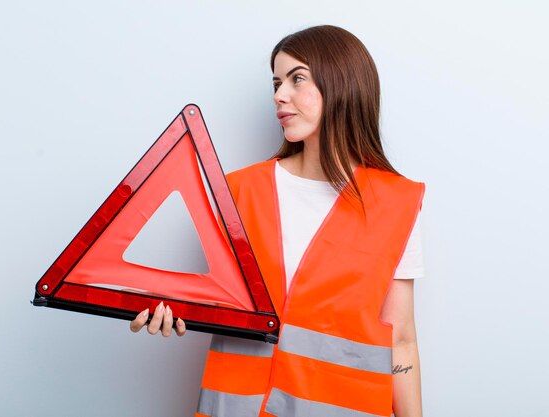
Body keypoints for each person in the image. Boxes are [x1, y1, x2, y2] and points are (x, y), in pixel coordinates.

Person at [131, 25, 425, 417]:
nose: (279, 95)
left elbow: (401, 338)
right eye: (276, 82)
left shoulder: (396, 202)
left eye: (296, 78)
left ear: (343, 84)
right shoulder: (239, 191)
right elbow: (221, 300)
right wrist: (168, 311)